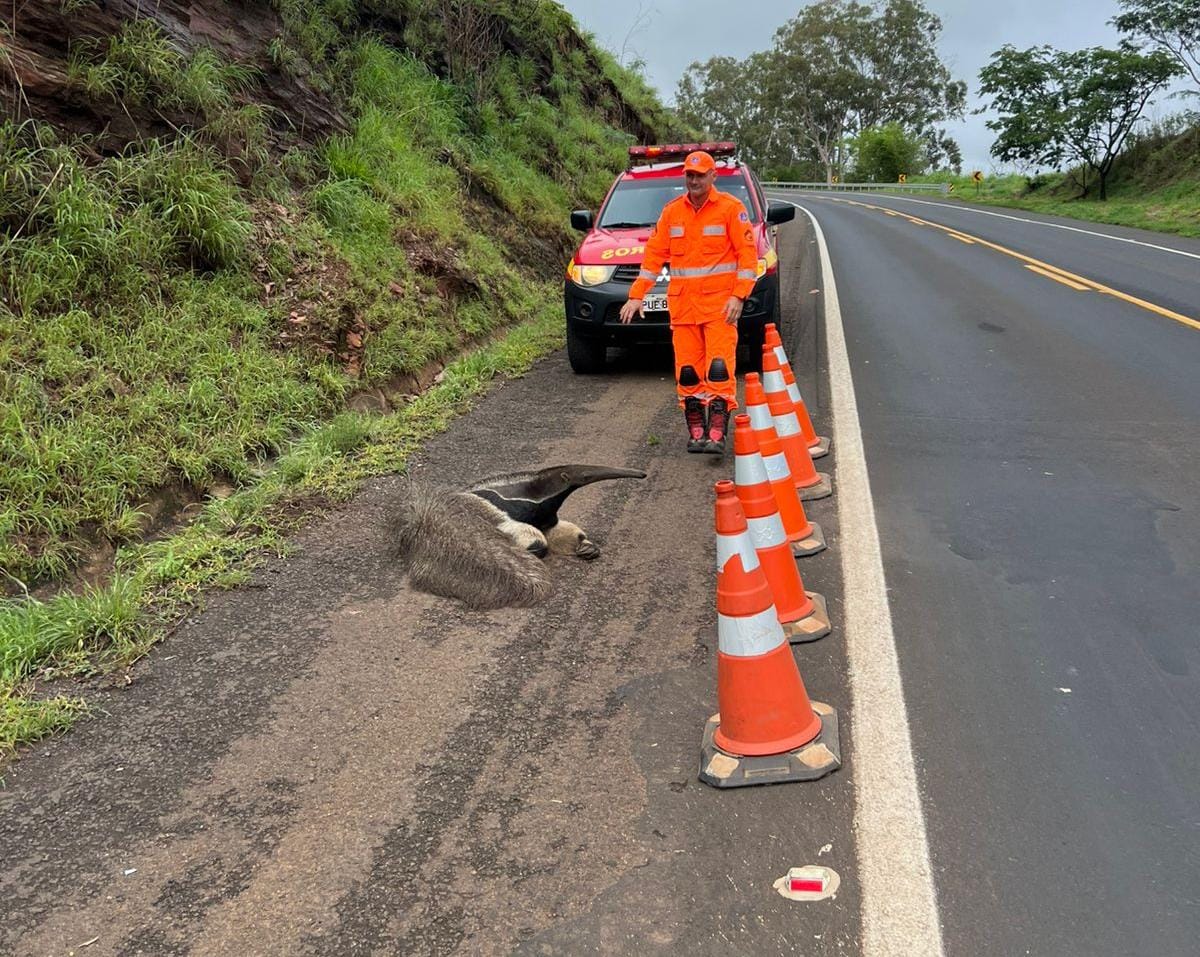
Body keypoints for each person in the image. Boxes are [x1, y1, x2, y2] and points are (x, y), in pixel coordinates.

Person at [618, 150, 758, 453]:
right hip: (684, 308)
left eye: (699, 175)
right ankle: (696, 430)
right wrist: (637, 295)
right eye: (689, 175)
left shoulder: (731, 209)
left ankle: (717, 432)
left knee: (719, 369)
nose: (693, 181)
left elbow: (748, 257)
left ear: (712, 176)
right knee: (688, 372)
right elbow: (653, 256)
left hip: (720, 307)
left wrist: (739, 295)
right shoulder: (672, 213)